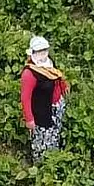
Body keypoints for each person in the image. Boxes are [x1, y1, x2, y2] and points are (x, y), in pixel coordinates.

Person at [20, 35, 69, 163]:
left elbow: (56, 77)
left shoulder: (48, 63)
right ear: (32, 53)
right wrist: (29, 119)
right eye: (39, 52)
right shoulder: (29, 73)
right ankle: (42, 165)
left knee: (55, 133)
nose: (43, 55)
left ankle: (54, 159)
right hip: (42, 112)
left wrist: (63, 88)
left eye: (45, 51)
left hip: (56, 107)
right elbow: (25, 98)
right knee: (43, 140)